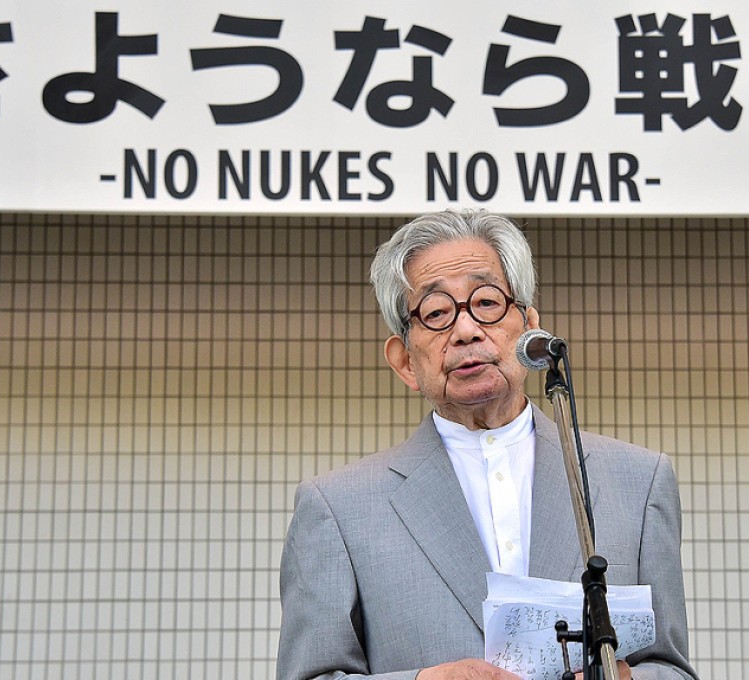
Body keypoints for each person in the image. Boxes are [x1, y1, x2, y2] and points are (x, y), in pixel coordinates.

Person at [276, 209, 698, 680]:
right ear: (405, 361)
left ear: (529, 326)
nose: (466, 330)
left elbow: (672, 668)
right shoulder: (337, 507)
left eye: (487, 302)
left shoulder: (638, 482)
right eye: (435, 312)